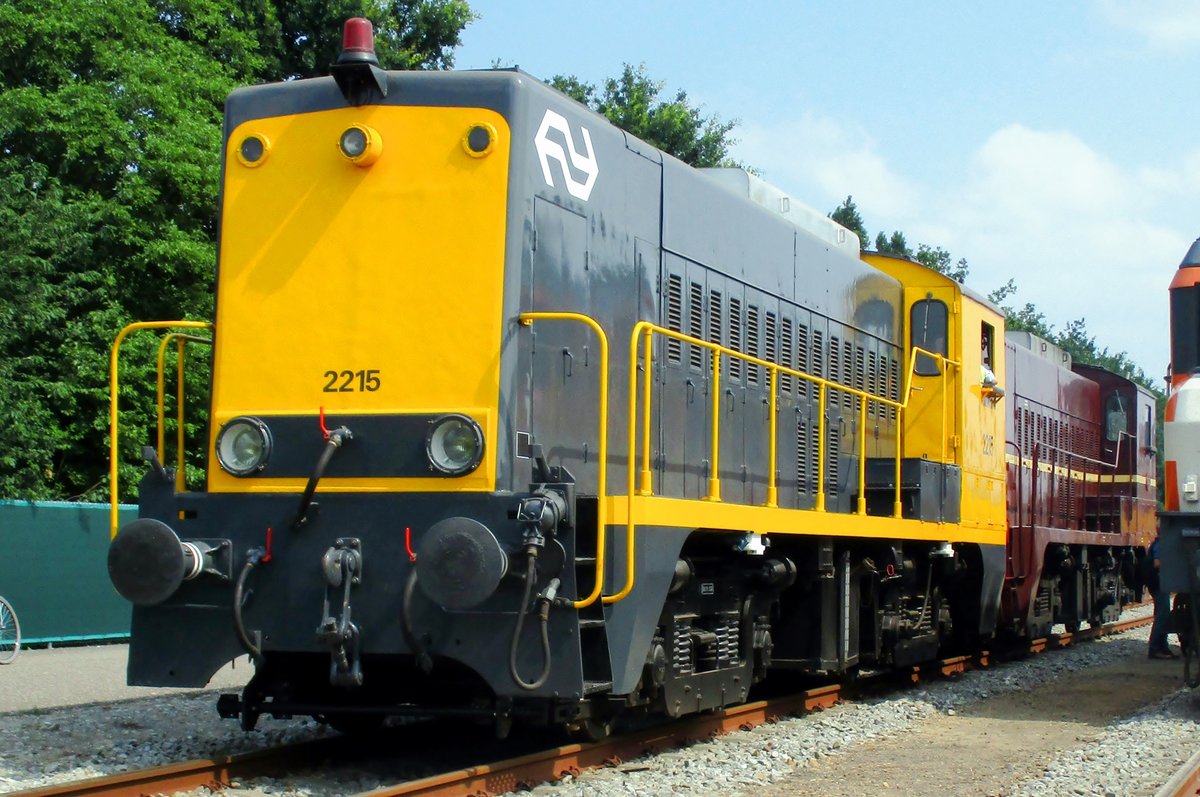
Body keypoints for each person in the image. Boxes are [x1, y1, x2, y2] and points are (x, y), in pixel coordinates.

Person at [1147, 534, 1178, 659]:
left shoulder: (1159, 543)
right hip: (1159, 584)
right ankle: (1154, 648)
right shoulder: (1160, 545)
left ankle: (1163, 647)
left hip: (1160, 584)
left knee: (1163, 615)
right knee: (1162, 616)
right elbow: (1157, 563)